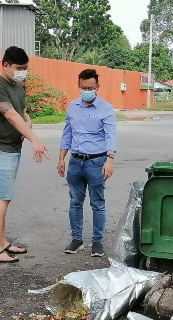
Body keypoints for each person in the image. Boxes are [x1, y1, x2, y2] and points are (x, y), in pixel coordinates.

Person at [0, 46, 48, 263]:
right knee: (1, 197)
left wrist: (28, 122)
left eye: (25, 69)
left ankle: (2, 241)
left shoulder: (17, 86)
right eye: (19, 68)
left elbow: (21, 112)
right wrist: (33, 138)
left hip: (10, 149)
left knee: (0, 197)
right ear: (5, 64)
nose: (22, 72)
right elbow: (10, 115)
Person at [57, 68, 117, 257]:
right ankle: (77, 239)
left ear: (97, 86)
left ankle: (97, 242)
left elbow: (110, 135)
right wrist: (61, 158)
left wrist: (110, 160)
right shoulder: (73, 107)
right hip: (75, 162)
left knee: (97, 203)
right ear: (78, 85)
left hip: (97, 162)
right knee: (75, 202)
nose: (87, 91)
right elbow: (67, 133)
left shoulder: (106, 109)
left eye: (90, 88)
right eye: (83, 87)